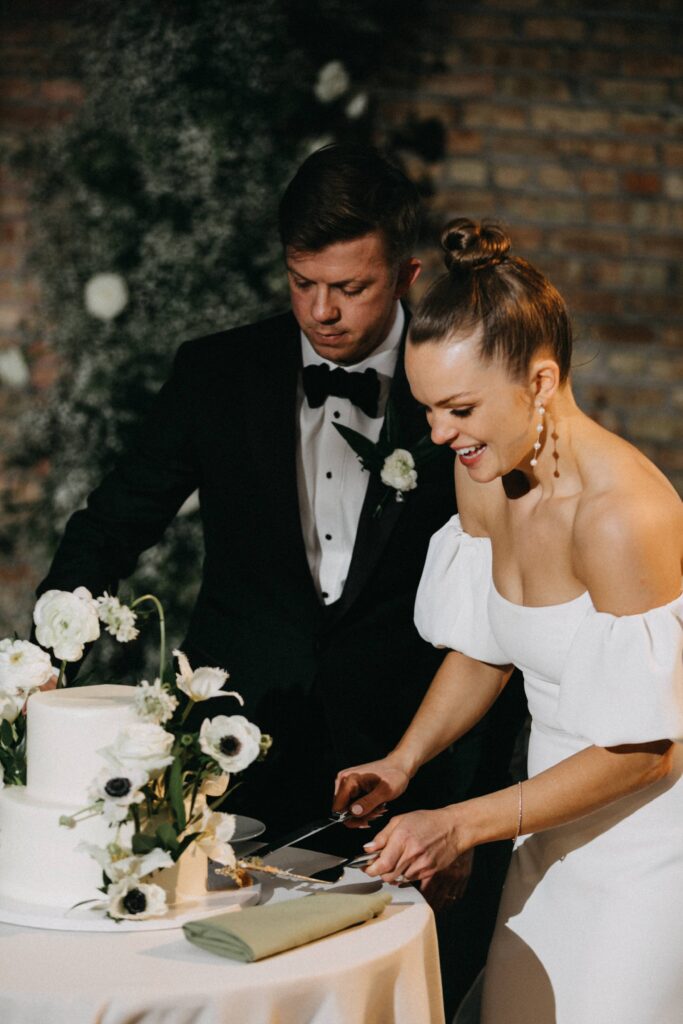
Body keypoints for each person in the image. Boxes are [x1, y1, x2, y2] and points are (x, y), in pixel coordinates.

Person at [36, 149, 527, 1014]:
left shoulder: (456, 388)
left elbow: (501, 610)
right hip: (235, 757)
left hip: (405, 764)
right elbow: (115, 521)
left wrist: (465, 810)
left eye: (351, 287)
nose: (323, 312)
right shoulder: (215, 374)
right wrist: (40, 656)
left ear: (406, 274)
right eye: (303, 283)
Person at [334, 218, 683, 1023]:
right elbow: (487, 646)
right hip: (545, 823)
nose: (439, 434)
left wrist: (461, 824)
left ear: (539, 381)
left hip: (646, 847)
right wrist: (403, 760)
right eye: (426, 410)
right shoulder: (486, 474)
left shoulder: (620, 517)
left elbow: (647, 753)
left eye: (457, 407)